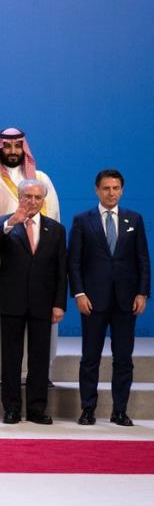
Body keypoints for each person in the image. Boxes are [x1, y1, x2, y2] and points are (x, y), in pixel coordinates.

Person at [0, 127, 61, 385]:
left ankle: (37, 377)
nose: (12, 151)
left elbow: (53, 224)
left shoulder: (42, 179)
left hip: (38, 268)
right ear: (0, 149)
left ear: (24, 149)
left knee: (39, 329)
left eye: (17, 146)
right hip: (0, 264)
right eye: (7, 147)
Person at [68, 169, 149, 427]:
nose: (111, 193)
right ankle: (88, 409)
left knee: (123, 359)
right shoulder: (83, 220)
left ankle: (120, 411)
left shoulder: (134, 219)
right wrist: (79, 293)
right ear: (97, 190)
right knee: (90, 358)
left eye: (115, 188)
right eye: (106, 188)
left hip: (126, 301)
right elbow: (75, 262)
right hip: (92, 301)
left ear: (122, 190)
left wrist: (142, 292)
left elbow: (143, 260)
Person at [0, 179, 66, 425]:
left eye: (37, 197)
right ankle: (11, 408)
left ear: (43, 200)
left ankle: (37, 409)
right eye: (27, 196)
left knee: (39, 358)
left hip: (43, 302)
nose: (32, 201)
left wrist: (59, 303)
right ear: (19, 197)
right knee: (11, 357)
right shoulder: (4, 222)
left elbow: (61, 269)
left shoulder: (56, 229)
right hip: (12, 301)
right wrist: (11, 222)